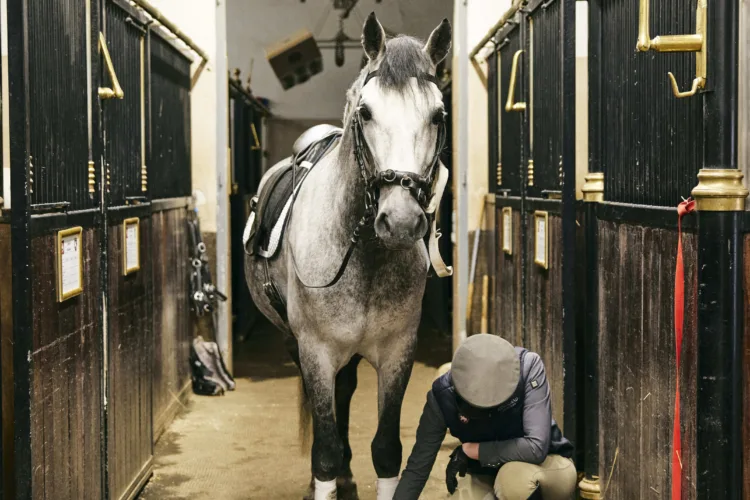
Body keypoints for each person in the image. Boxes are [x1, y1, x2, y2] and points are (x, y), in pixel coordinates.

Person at [393, 334, 576, 500]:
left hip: (547, 466)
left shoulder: (528, 367)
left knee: (513, 483)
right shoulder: (441, 396)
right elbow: (417, 469)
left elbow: (536, 448)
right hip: (488, 473)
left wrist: (474, 450)